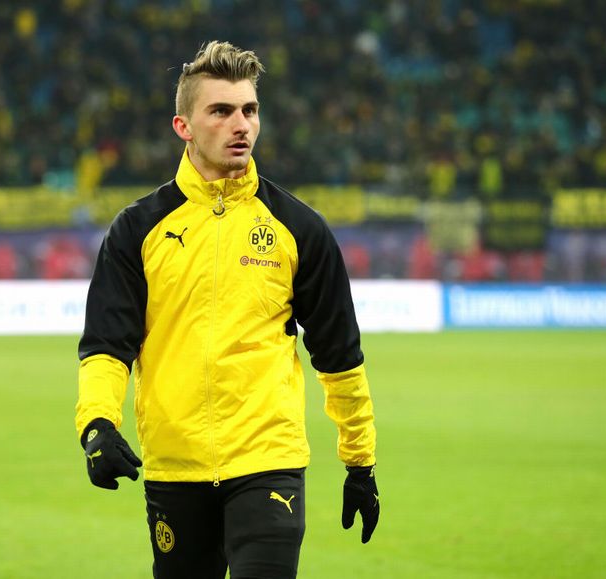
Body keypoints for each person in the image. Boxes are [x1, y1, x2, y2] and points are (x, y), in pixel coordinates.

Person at [75, 40, 380, 578]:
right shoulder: (137, 230)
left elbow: (339, 356)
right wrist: (97, 423)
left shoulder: (299, 229)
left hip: (269, 462)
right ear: (184, 126)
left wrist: (360, 462)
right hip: (175, 467)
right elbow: (106, 345)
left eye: (250, 110)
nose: (241, 125)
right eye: (221, 111)